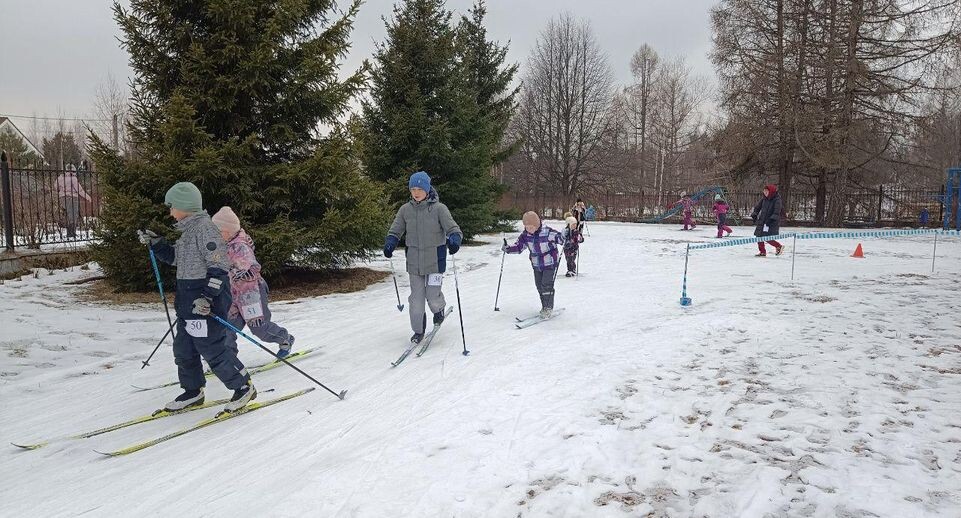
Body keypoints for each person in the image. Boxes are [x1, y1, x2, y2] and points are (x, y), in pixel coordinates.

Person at [137, 182, 255, 413]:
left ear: (184, 206)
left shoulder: (205, 230)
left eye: (172, 206)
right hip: (187, 300)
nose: (170, 211)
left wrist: (207, 297)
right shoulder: (187, 231)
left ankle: (243, 386)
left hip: (204, 301)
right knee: (184, 348)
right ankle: (193, 391)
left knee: (211, 347)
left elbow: (220, 265)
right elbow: (175, 259)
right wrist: (157, 243)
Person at [384, 171, 463, 344]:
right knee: (416, 300)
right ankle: (418, 331)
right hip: (414, 263)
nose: (416, 192)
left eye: (420, 188)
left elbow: (453, 229)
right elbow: (395, 230)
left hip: (435, 262)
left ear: (427, 189)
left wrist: (455, 239)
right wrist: (390, 242)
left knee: (432, 297)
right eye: (413, 189)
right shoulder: (405, 210)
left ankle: (439, 310)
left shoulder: (439, 209)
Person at [211, 207, 294, 359]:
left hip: (251, 294)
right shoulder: (224, 245)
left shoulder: (239, 246)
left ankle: (285, 339)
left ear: (226, 232)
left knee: (259, 328)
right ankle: (227, 360)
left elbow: (253, 267)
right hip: (233, 295)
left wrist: (242, 273)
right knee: (226, 328)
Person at [503, 211, 566, 317]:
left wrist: (565, 235)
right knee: (539, 286)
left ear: (537, 225)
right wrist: (508, 249)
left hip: (549, 264)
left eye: (531, 227)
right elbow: (519, 247)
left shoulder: (547, 232)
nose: (529, 229)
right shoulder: (525, 235)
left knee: (546, 285)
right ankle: (544, 306)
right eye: (527, 227)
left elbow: (560, 239)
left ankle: (548, 307)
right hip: (536, 265)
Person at [55, 164, 91, 238]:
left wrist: (62, 191)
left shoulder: (60, 177)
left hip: (62, 198)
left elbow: (56, 187)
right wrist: (88, 197)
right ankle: (71, 233)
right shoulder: (73, 178)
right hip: (72, 197)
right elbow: (79, 190)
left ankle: (69, 232)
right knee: (73, 216)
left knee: (68, 215)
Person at [751, 184, 784, 256]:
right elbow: (757, 207)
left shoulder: (777, 200)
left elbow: (777, 211)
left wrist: (771, 219)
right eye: (764, 192)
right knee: (759, 236)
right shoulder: (764, 199)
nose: (765, 193)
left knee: (767, 237)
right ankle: (762, 252)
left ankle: (778, 246)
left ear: (771, 192)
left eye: (766, 192)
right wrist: (754, 214)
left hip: (771, 222)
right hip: (762, 221)